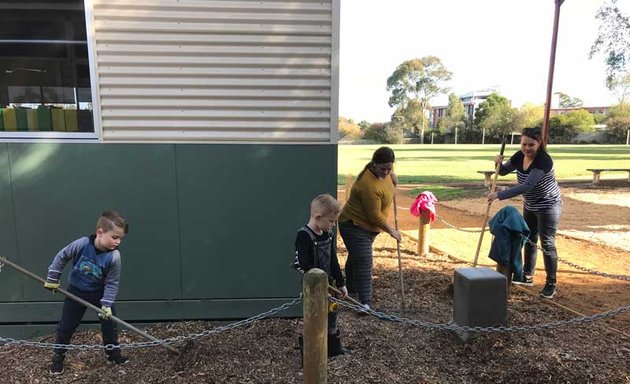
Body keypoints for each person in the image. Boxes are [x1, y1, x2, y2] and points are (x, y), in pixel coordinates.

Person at [44, 210, 130, 375]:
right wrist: (53, 278)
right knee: (66, 327)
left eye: (120, 239)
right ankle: (58, 357)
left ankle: (113, 354)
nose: (118, 242)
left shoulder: (114, 257)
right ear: (100, 232)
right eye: (115, 237)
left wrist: (106, 304)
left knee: (110, 325)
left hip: (101, 294)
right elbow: (62, 257)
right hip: (76, 292)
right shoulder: (82, 244)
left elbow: (112, 282)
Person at [487, 127, 562, 299]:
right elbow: (504, 171)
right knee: (529, 238)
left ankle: (551, 284)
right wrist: (498, 163)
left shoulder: (543, 161)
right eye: (524, 144)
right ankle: (527, 275)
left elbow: (527, 185)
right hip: (530, 204)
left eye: (531, 145)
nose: (527, 148)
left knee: (547, 243)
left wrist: (499, 194)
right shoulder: (519, 156)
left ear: (539, 144)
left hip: (548, 206)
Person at [338, 146, 401, 309]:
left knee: (356, 257)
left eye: (390, 168)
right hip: (353, 225)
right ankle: (365, 303)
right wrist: (391, 231)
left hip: (368, 229)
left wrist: (392, 176)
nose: (387, 172)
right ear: (374, 165)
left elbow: (387, 178)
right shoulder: (368, 185)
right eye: (383, 168)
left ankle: (350, 288)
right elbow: (374, 216)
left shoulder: (384, 174)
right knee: (364, 260)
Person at [292, 194, 349, 357]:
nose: (333, 225)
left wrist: (340, 283)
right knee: (313, 317)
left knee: (331, 314)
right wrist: (319, 280)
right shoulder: (304, 235)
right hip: (312, 284)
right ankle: (311, 350)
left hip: (329, 284)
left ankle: (332, 348)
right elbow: (302, 262)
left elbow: (333, 261)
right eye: (331, 221)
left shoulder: (328, 235)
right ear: (318, 217)